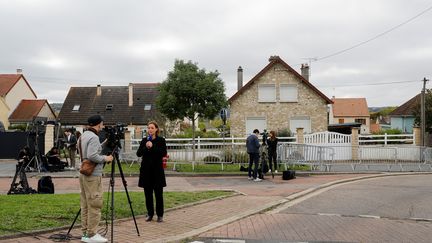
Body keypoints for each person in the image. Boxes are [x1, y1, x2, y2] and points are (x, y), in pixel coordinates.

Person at [79, 115, 113, 243]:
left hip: (83, 173)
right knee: (95, 204)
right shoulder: (93, 137)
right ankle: (92, 234)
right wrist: (106, 158)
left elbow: (89, 150)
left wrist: (104, 143)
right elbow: (92, 155)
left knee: (85, 205)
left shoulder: (84, 135)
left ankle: (86, 233)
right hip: (92, 175)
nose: (103, 126)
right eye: (102, 124)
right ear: (98, 124)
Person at [137, 121, 167, 223]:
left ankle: (160, 215)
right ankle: (150, 214)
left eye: (152, 128)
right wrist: (146, 147)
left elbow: (163, 153)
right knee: (148, 194)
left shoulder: (161, 140)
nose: (150, 130)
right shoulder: (144, 140)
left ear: (156, 129)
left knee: (158, 194)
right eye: (148, 128)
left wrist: (152, 147)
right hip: (146, 171)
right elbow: (138, 153)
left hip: (157, 171)